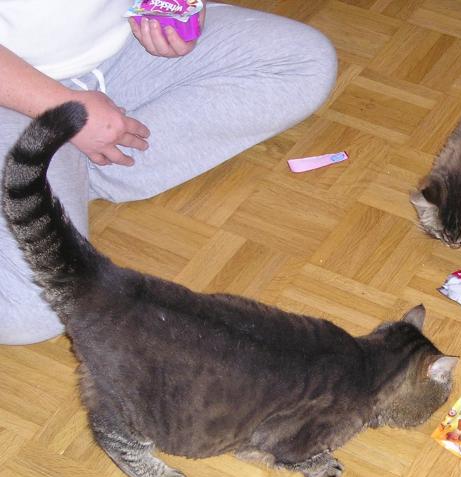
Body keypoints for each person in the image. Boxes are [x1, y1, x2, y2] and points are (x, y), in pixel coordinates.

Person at [0, 0, 337, 344]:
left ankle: (77, 167)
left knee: (303, 63)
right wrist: (58, 107)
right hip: (14, 96)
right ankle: (62, 166)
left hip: (123, 46)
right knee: (35, 309)